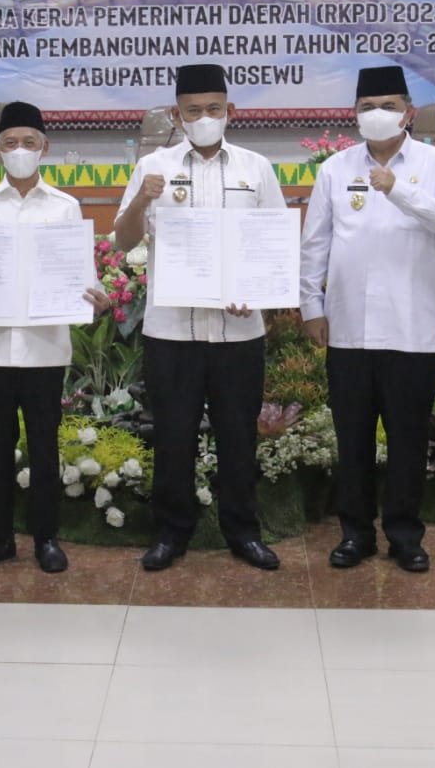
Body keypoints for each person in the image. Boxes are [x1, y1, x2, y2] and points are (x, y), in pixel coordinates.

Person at [299, 65, 435, 573]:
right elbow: (315, 245)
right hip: (348, 329)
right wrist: (311, 306)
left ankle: (404, 536)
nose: (378, 114)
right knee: (352, 440)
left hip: (411, 330)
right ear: (354, 114)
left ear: (408, 112)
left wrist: (399, 189)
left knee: (407, 441)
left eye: (389, 105)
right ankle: (355, 534)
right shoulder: (335, 169)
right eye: (368, 106)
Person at [116, 63, 285, 572]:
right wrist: (142, 200)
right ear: (177, 115)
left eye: (214, 109)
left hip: (239, 331)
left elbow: (274, 244)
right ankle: (172, 532)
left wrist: (256, 290)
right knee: (173, 436)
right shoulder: (154, 166)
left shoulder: (256, 168)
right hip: (172, 331)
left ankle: (242, 531)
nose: (205, 118)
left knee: (239, 435)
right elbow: (123, 240)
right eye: (194, 111)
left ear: (230, 110)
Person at [0, 102, 109, 574]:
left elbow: (80, 274)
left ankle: (46, 538)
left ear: (44, 147)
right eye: (10, 143)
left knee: (45, 449)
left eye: (29, 142)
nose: (20, 150)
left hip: (45, 348)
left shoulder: (64, 206)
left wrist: (95, 295)